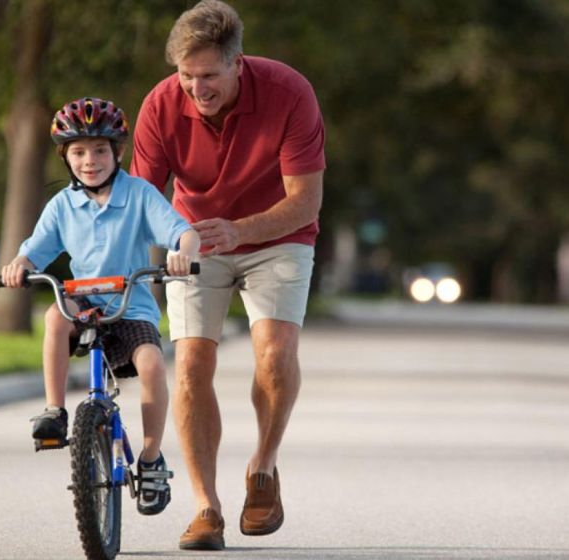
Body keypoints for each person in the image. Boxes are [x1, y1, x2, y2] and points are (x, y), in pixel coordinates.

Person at [130, 0, 325, 549]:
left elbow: (305, 202)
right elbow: (142, 202)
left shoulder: (289, 93)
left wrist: (241, 230)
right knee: (191, 362)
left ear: (239, 63)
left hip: (279, 235)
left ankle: (262, 467)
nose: (196, 88)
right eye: (186, 76)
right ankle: (206, 506)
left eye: (209, 75)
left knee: (274, 351)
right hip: (195, 238)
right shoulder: (162, 105)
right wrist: (136, 270)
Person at [0, 97, 201, 516]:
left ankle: (149, 460)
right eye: (78, 152)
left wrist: (182, 251)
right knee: (55, 315)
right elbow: (34, 251)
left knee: (152, 365)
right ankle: (55, 410)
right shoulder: (62, 206)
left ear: (117, 152)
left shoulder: (139, 195)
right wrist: (20, 265)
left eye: (99, 151)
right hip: (85, 305)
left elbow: (182, 231)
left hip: (130, 306)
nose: (89, 161)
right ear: (65, 157)